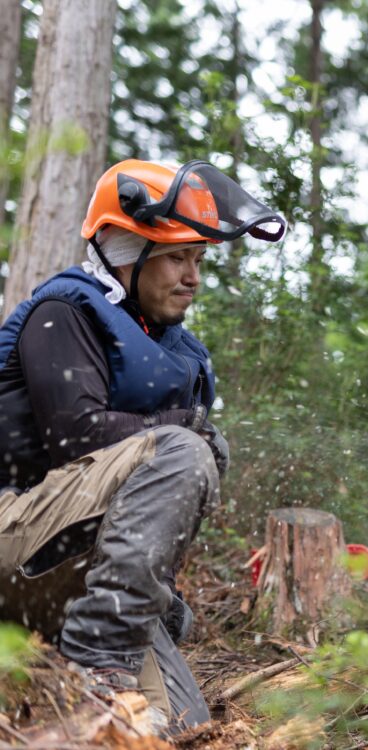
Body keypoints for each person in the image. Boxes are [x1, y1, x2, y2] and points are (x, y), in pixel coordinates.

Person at [0, 159, 285, 732]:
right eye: (176, 256)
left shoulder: (178, 350)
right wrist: (182, 429)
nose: (193, 276)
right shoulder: (62, 315)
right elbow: (73, 437)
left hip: (75, 576)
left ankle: (86, 692)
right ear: (125, 250)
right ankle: (97, 663)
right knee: (182, 449)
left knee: (178, 721)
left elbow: (143, 511)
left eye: (199, 259)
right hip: (14, 529)